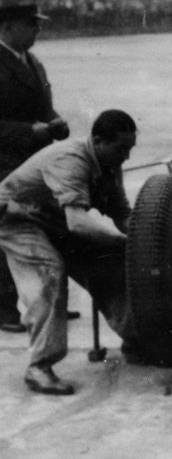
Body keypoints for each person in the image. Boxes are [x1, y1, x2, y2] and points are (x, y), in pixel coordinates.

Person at [0, 109, 138, 395]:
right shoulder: (71, 160)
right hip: (16, 217)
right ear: (97, 141)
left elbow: (122, 213)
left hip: (54, 219)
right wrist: (122, 241)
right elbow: (78, 223)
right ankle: (39, 367)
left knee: (111, 264)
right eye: (121, 149)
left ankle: (136, 338)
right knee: (49, 272)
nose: (126, 156)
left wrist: (140, 238)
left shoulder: (110, 163)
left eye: (130, 149)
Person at [0, 0, 70, 334]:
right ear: (7, 27)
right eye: (31, 24)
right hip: (5, 164)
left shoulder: (32, 62)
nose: (37, 30)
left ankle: (50, 303)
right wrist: (31, 131)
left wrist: (55, 121)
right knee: (7, 236)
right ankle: (4, 309)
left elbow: (43, 105)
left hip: (37, 161)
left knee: (47, 228)